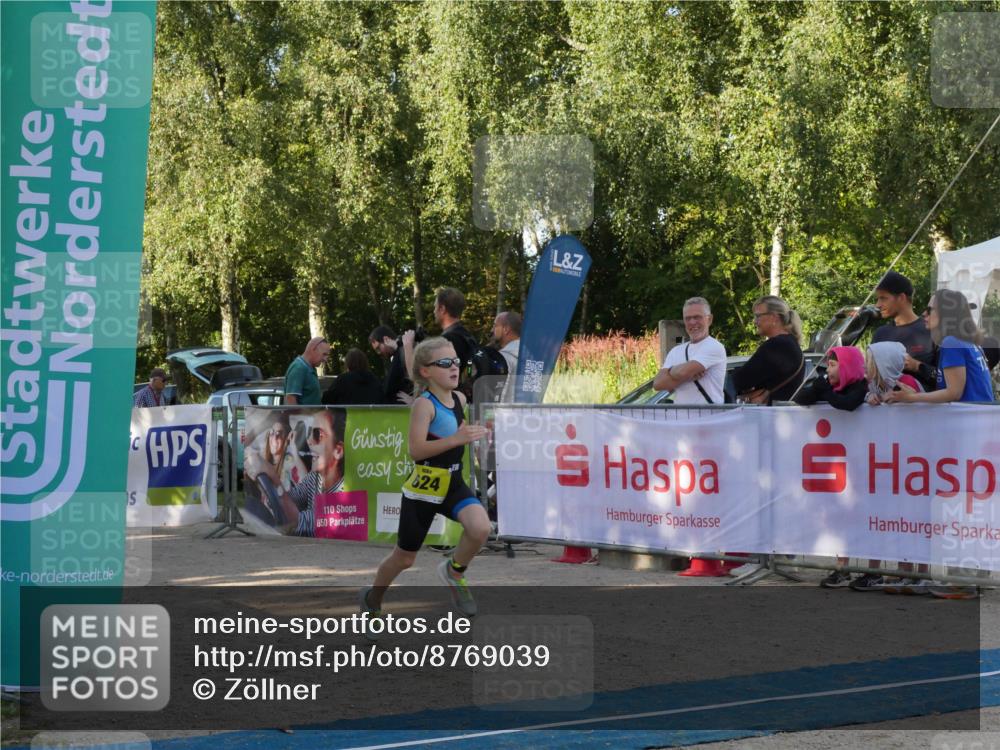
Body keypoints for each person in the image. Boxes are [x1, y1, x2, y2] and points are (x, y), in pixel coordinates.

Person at [360, 337, 490, 635]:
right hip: (424, 487)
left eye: (456, 361)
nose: (454, 367)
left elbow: (458, 439)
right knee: (404, 558)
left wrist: (476, 438)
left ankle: (454, 572)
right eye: (445, 363)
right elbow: (416, 451)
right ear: (426, 371)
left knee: (481, 528)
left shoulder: (460, 400)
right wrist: (456, 439)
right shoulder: (423, 405)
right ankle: (373, 599)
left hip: (453, 482)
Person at [886, 289, 994, 405]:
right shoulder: (966, 340)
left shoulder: (951, 342)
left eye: (929, 310)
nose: (923, 314)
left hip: (970, 419)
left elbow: (954, 393)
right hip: (979, 417)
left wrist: (912, 397)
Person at [257, 409, 346, 537]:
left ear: (338, 451)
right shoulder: (314, 478)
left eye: (317, 435)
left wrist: (272, 478)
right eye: (309, 433)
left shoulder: (345, 492)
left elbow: (299, 523)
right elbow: (290, 498)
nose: (309, 440)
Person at [731, 296, 805, 404]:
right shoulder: (790, 343)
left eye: (758, 316)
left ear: (774, 317)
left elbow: (740, 380)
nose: (754, 321)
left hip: (772, 416)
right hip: (783, 414)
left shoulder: (776, 345)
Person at [653, 297, 727, 404]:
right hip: (681, 419)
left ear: (709, 319)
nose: (692, 322)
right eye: (688, 318)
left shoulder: (714, 347)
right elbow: (658, 384)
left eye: (697, 317)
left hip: (709, 419)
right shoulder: (676, 351)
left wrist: (671, 373)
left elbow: (683, 372)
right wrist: (684, 375)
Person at [871, 271, 937, 392]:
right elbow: (872, 379)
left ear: (901, 297)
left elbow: (946, 379)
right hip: (886, 409)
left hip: (925, 408)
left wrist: (917, 366)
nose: (878, 305)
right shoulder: (880, 334)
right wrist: (870, 394)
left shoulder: (931, 330)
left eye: (883, 298)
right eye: (878, 299)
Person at [243, 412, 308, 527]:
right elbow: (246, 444)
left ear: (286, 438)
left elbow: (306, 483)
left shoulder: (290, 463)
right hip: (267, 515)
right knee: (248, 504)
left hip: (283, 517)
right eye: (272, 433)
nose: (275, 437)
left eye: (279, 434)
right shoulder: (264, 461)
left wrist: (293, 450)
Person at [794, 346, 867, 411]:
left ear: (847, 368)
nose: (827, 370)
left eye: (832, 365)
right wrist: (814, 388)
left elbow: (849, 403)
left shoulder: (860, 385)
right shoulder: (830, 385)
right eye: (828, 365)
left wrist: (825, 391)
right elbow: (798, 398)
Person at [434, 287, 478, 371]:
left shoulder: (446, 341)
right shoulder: (468, 337)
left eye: (435, 307)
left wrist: (408, 346)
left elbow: (435, 379)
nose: (434, 311)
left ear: (442, 309)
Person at [369, 325, 414, 405]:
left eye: (378, 348)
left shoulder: (407, 349)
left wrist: (415, 400)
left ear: (386, 339)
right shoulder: (397, 353)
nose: (379, 353)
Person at [284, 337, 330, 406]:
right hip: (303, 417)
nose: (325, 359)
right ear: (313, 349)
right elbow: (290, 400)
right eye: (324, 354)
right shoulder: (299, 368)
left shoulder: (309, 367)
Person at [492, 311, 521, 403]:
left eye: (495, 326)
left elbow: (500, 392)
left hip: (505, 414)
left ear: (506, 329)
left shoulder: (504, 357)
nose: (492, 330)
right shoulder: (528, 354)